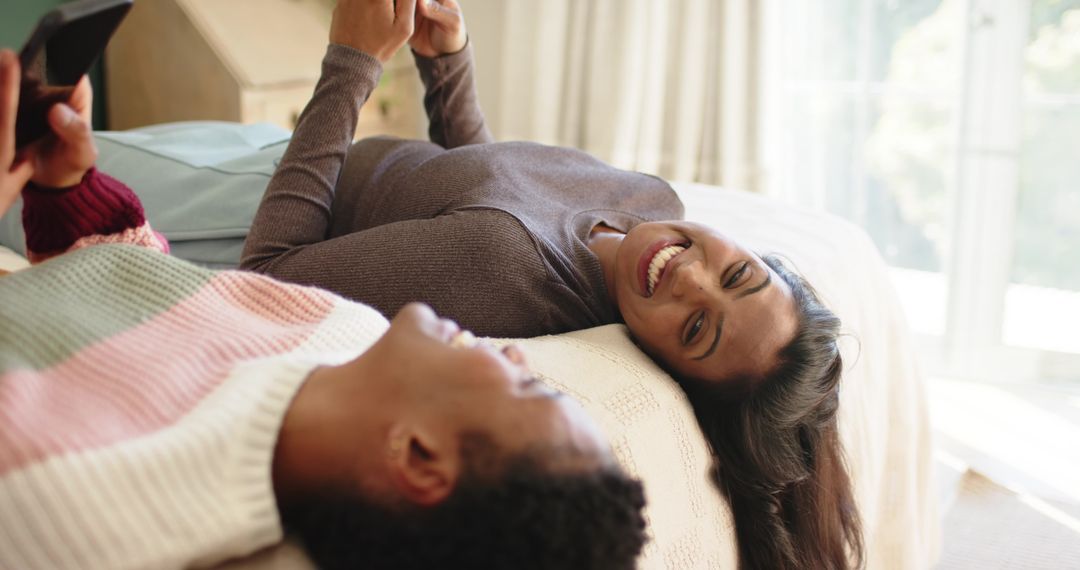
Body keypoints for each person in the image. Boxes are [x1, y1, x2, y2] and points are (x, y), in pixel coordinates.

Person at [0, 3, 648, 568]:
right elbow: (141, 289)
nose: (515, 353)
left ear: (420, 456)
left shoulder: (75, 498)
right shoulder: (349, 334)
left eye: (527, 385)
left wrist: (352, 60)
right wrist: (69, 190)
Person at [240, 0, 864, 567]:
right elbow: (494, 189)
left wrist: (352, 59)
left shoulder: (505, 269)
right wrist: (447, 65)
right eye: (737, 274)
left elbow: (265, 277)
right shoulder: (650, 200)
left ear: (672, 365)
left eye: (697, 328)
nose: (690, 276)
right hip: (306, 151)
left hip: (257, 193)